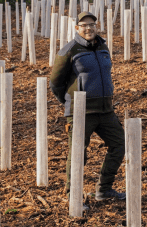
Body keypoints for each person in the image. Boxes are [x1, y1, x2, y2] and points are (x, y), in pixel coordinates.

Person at [50, 11, 125, 201]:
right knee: (77, 153)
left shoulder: (103, 47)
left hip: (106, 109)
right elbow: (56, 83)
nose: (89, 28)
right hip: (80, 111)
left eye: (92, 24)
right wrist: (70, 103)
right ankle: (72, 196)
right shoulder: (69, 51)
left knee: (119, 145)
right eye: (84, 25)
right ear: (77, 28)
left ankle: (104, 189)